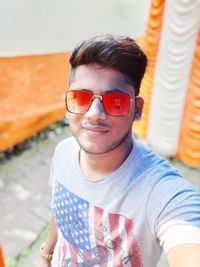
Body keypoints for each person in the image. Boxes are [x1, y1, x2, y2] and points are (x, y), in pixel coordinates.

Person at [38, 34, 200, 267]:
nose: (94, 113)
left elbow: (187, 236)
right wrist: (47, 253)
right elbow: (60, 212)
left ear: (137, 109)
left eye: (115, 101)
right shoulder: (63, 152)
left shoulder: (162, 194)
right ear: (67, 103)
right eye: (80, 98)